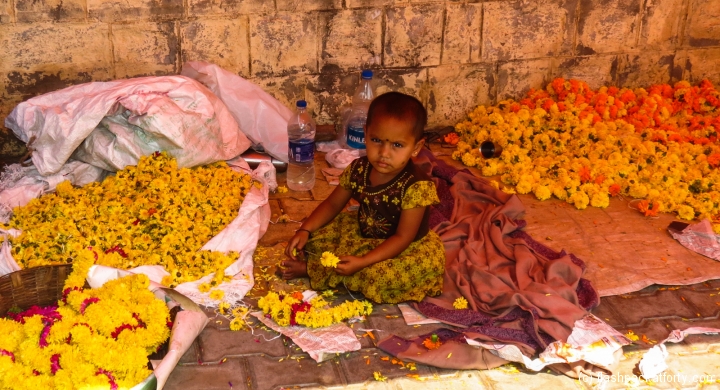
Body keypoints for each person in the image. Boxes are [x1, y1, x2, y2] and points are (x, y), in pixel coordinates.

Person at [282, 92, 445, 304]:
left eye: (397, 145)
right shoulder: (359, 168)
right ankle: (332, 268)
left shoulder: (417, 187)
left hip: (402, 248)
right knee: (317, 239)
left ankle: (313, 270)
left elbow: (402, 238)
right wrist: (305, 229)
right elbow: (332, 204)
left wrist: (363, 261)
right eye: (376, 140)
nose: (384, 153)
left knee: (380, 277)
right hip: (364, 233)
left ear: (416, 147)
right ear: (366, 134)